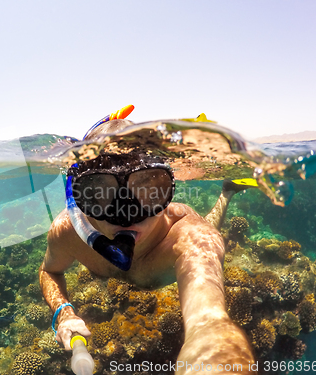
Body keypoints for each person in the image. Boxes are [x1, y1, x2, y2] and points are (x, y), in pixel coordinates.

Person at [39, 108, 256, 375]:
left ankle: (227, 191)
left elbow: (208, 324)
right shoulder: (67, 232)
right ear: (80, 200)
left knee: (210, 225)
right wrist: (64, 312)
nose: (127, 215)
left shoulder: (190, 237)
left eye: (148, 191)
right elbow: (49, 270)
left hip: (184, 227)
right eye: (102, 194)